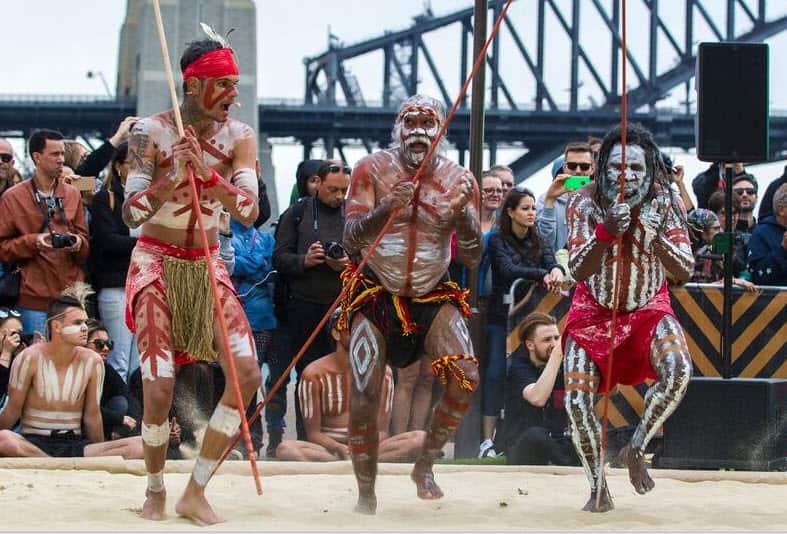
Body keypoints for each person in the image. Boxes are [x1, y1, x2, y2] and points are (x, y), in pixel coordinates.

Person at [121, 33, 260, 524]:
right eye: (223, 84)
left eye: (235, 84)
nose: (233, 95)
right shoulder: (149, 132)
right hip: (155, 262)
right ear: (194, 85)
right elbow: (130, 214)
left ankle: (195, 490)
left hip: (208, 262)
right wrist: (171, 179)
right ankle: (155, 489)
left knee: (246, 375)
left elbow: (249, 211)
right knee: (159, 389)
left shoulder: (240, 135)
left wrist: (209, 177)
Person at [342, 94, 482, 513]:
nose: (418, 132)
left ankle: (425, 464)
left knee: (465, 376)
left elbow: (472, 257)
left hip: (432, 292)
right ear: (397, 128)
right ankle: (366, 493)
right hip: (376, 292)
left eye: (428, 124)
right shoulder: (371, 169)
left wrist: (463, 218)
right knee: (365, 394)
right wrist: (386, 208)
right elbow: (350, 238)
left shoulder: (461, 181)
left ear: (441, 131)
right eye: (410, 122)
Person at [563, 123, 694, 512]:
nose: (627, 176)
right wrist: (605, 233)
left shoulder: (665, 201)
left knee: (679, 370)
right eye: (618, 167)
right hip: (593, 313)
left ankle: (636, 447)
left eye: (636, 168)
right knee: (576, 404)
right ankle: (597, 487)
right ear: (603, 167)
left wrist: (656, 238)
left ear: (649, 169)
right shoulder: (583, 202)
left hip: (647, 309)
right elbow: (577, 268)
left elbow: (685, 269)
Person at [0, 287, 143, 459]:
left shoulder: (93, 361)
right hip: (34, 442)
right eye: (77, 323)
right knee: (4, 439)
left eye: (85, 322)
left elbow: (92, 415)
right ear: (56, 326)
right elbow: (12, 410)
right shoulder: (29, 358)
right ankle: (52, 462)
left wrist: (100, 451)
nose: (84, 328)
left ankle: (52, 463)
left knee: (140, 445)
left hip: (74, 443)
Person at [277, 309, 425, 462]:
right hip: (329, 450)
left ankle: (347, 464)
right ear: (336, 334)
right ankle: (340, 463)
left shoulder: (382, 373)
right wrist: (338, 448)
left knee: (420, 439)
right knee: (285, 449)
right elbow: (314, 434)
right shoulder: (314, 374)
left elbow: (382, 431)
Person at [481, 188, 564, 458]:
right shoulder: (497, 239)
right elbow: (507, 270)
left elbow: (552, 261)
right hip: (503, 317)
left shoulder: (538, 237)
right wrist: (542, 274)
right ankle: (486, 440)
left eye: (533, 208)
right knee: (496, 373)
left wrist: (556, 270)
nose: (531, 213)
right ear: (511, 212)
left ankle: (551, 432)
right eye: (526, 208)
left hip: (533, 317)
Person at [273, 159, 350, 441]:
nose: (339, 196)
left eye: (344, 191)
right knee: (306, 373)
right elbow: (279, 258)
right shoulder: (297, 213)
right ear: (317, 183)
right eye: (333, 190)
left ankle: (341, 438)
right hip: (304, 305)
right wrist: (305, 260)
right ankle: (308, 440)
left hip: (343, 306)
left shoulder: (354, 214)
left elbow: (370, 258)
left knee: (345, 372)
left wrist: (347, 264)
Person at [0, 129, 90, 337]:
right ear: (37, 157)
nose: (61, 160)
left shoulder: (73, 194)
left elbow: (85, 244)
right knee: (36, 354)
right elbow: (2, 248)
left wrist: (77, 242)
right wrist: (34, 242)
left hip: (70, 297)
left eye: (63, 154)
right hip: (33, 296)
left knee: (70, 354)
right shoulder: (13, 197)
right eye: (54, 154)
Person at [89, 141, 139, 382]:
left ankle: (137, 405)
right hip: (117, 287)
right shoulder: (105, 198)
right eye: (133, 163)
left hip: (144, 288)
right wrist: (145, 244)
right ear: (119, 166)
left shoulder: (151, 201)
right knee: (118, 359)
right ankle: (119, 405)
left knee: (140, 363)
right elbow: (107, 240)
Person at [500, 312, 577, 466]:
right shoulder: (517, 367)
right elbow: (537, 398)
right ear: (530, 345)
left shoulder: (563, 364)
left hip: (557, 441)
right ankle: (569, 465)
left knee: (619, 434)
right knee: (536, 435)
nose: (554, 344)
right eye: (547, 340)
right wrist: (557, 356)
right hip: (523, 447)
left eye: (556, 338)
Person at [537, 142, 595, 255]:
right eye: (572, 166)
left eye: (584, 166)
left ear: (592, 169)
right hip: (556, 265)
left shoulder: (600, 199)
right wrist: (550, 200)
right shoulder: (546, 198)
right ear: (564, 167)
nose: (578, 171)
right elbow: (543, 243)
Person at [86, 320, 137, 440]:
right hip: (77, 428)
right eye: (99, 344)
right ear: (83, 344)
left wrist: (122, 429)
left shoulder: (107, 369)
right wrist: (120, 419)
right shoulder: (74, 370)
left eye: (109, 344)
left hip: (104, 423)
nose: (106, 348)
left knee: (120, 402)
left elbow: (131, 400)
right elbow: (84, 408)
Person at [687, 209, 756, 291]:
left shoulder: (716, 248)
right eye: (715, 228)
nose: (720, 231)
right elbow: (699, 290)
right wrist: (731, 282)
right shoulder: (691, 254)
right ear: (702, 232)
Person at [748, 183, 787, 286]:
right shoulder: (761, 233)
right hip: (775, 295)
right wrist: (783, 250)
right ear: (781, 210)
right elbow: (757, 276)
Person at [0, 307, 25, 404]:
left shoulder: (17, 355)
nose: (15, 338)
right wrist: (6, 354)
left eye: (19, 333)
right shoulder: (7, 353)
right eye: (12, 333)